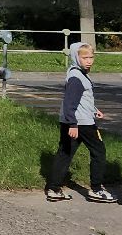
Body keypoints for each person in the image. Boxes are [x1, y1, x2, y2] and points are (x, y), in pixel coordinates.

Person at [46, 41, 114, 202]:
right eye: (84, 57)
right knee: (99, 152)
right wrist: (73, 124)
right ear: (76, 58)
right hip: (81, 124)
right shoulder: (77, 77)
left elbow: (82, 99)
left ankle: (54, 189)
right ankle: (96, 189)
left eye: (91, 57)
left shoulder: (77, 73)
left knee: (65, 154)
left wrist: (94, 109)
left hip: (76, 120)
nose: (89, 61)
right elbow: (70, 102)